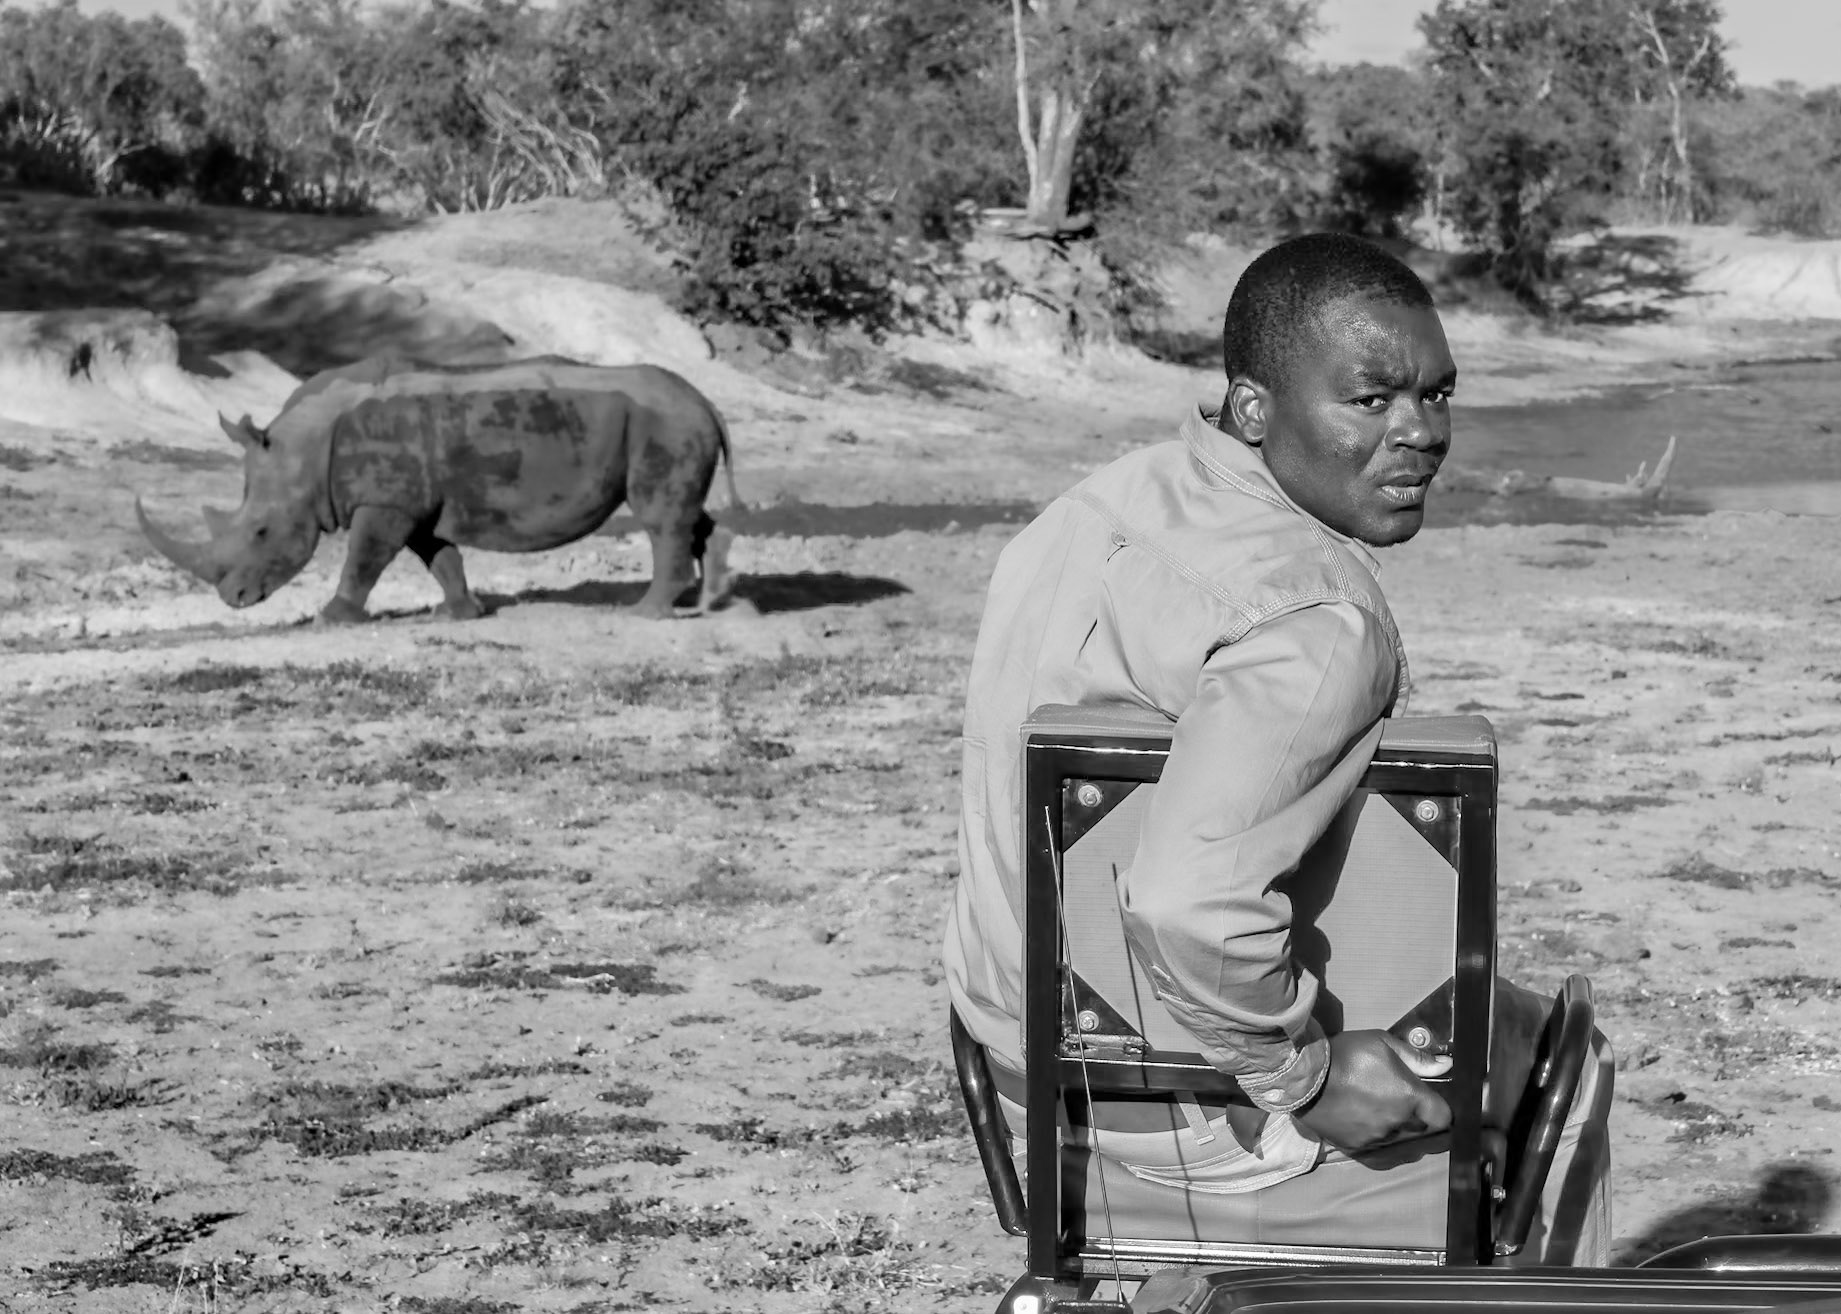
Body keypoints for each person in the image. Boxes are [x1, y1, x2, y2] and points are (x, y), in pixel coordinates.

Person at [943, 231, 1613, 1263]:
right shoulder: (1315, 618)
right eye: (1370, 400)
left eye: (1435, 396)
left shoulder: (1095, 504)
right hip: (1185, 1108)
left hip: (1018, 1056)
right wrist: (1299, 1074)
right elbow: (1185, 904)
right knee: (1568, 1057)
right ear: (1253, 407)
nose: (1418, 432)